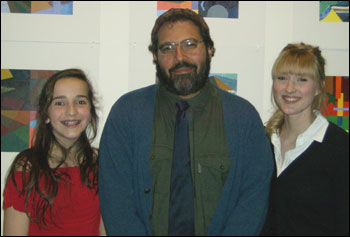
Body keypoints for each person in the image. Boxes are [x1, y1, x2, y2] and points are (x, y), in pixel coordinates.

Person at [99, 8, 273, 236]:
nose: (179, 57)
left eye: (190, 44)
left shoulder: (243, 118)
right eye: (167, 48)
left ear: (210, 50)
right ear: (155, 56)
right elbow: (116, 201)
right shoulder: (127, 114)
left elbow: (253, 200)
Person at [3, 69, 106, 236]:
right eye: (59, 103)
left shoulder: (102, 164)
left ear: (91, 111)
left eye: (80, 102)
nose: (71, 111)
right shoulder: (26, 169)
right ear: (46, 115)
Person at [261, 43, 349, 235]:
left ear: (318, 87)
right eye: (282, 78)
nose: (290, 88)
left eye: (302, 80)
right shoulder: (261, 142)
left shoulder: (341, 148)